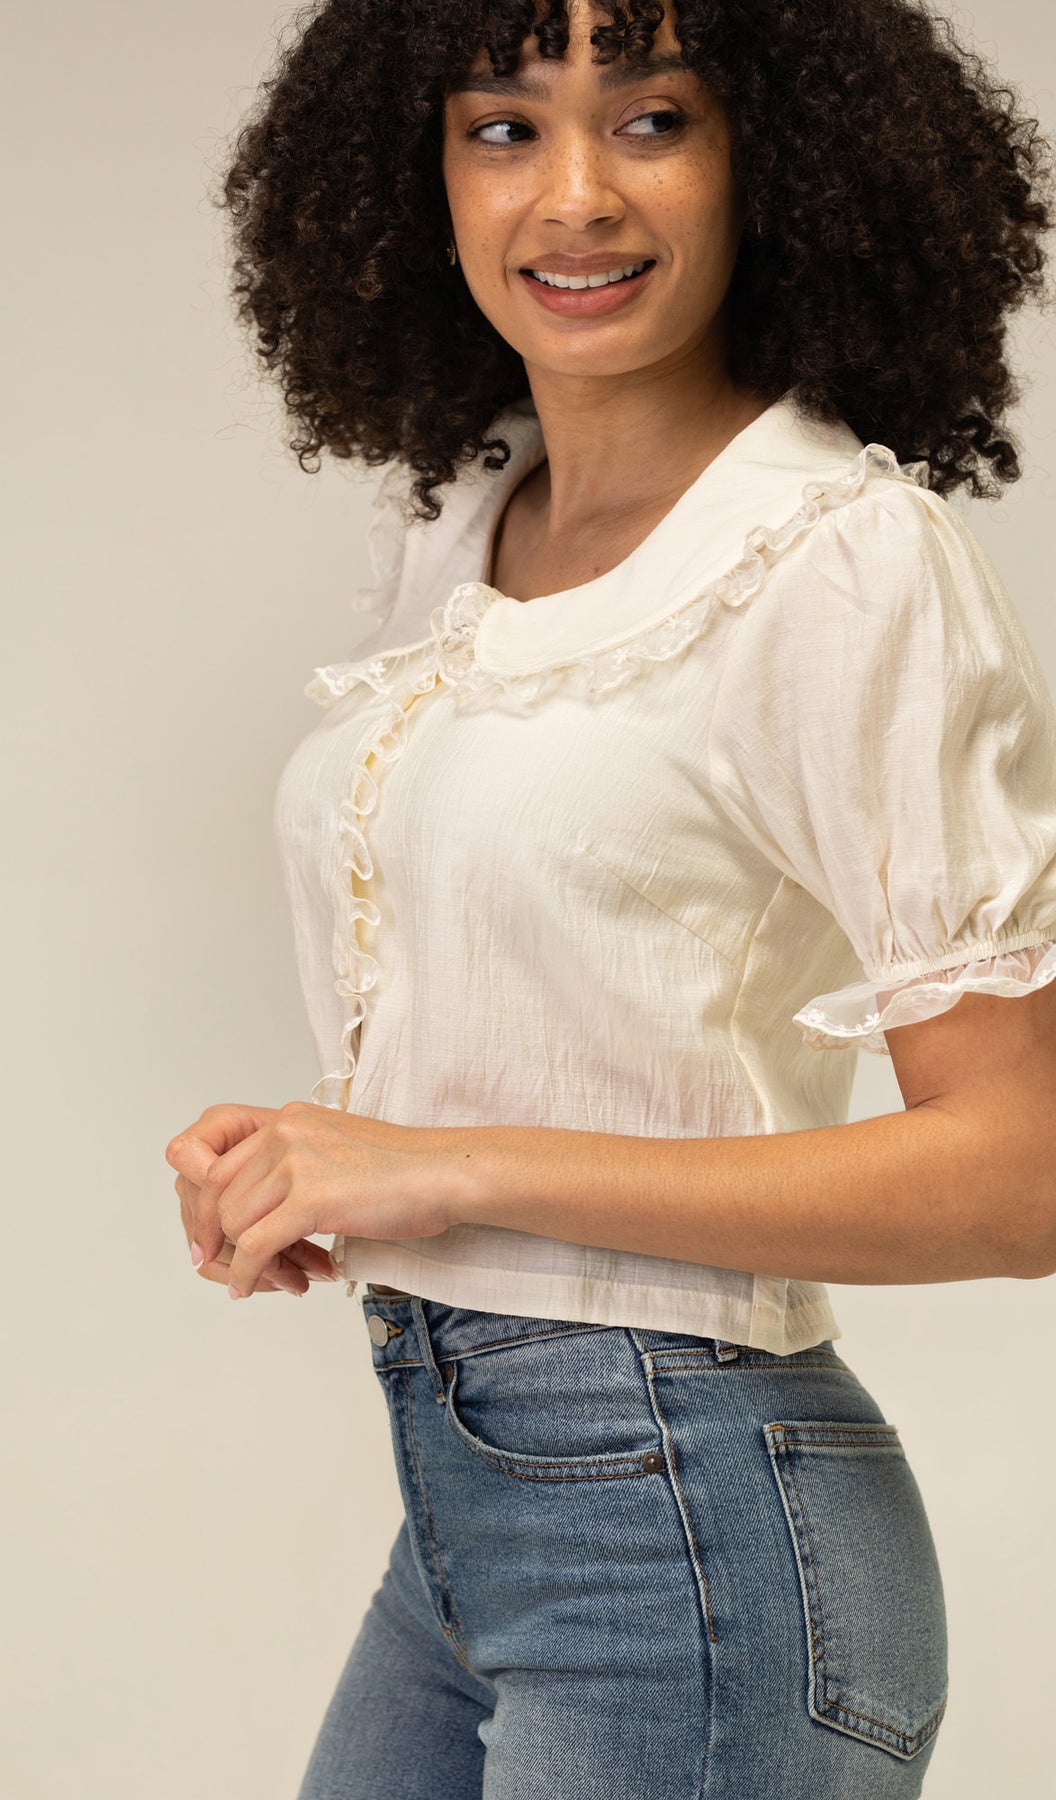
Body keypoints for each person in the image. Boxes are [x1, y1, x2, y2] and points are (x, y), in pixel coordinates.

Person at [166, 2, 1056, 1793]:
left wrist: (444, 1166)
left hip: (685, 1532)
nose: (573, 194)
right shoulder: (469, 524)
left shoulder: (837, 560)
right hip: (465, 1509)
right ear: (419, 175)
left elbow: (1022, 1169)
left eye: (652, 119)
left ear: (768, 161)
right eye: (503, 127)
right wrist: (316, 1154)